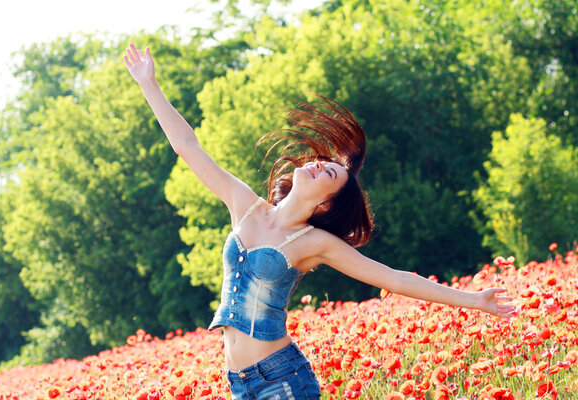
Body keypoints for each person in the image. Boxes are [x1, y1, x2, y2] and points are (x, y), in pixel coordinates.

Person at [123, 43, 516, 400]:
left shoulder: (314, 243)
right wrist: (148, 85)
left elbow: (395, 279)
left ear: (326, 204)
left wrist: (472, 300)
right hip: (238, 383)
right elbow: (188, 146)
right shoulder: (245, 205)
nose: (316, 165)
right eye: (322, 162)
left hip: (282, 380)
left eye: (328, 173)